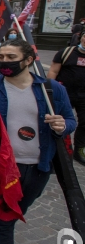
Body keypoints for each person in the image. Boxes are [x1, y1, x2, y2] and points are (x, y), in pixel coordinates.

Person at [0, 39, 76, 244]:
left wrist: (62, 125)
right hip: (0, 168)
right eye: (1, 57)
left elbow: (69, 121)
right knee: (4, 220)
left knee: (15, 213)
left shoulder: (51, 90)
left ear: (28, 60)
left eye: (11, 57)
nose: (4, 62)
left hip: (38, 168)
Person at [47, 31, 85, 165]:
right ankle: (56, 149)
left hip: (83, 96)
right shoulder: (67, 52)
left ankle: (80, 150)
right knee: (57, 121)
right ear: (81, 38)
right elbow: (53, 71)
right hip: (65, 94)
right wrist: (49, 89)